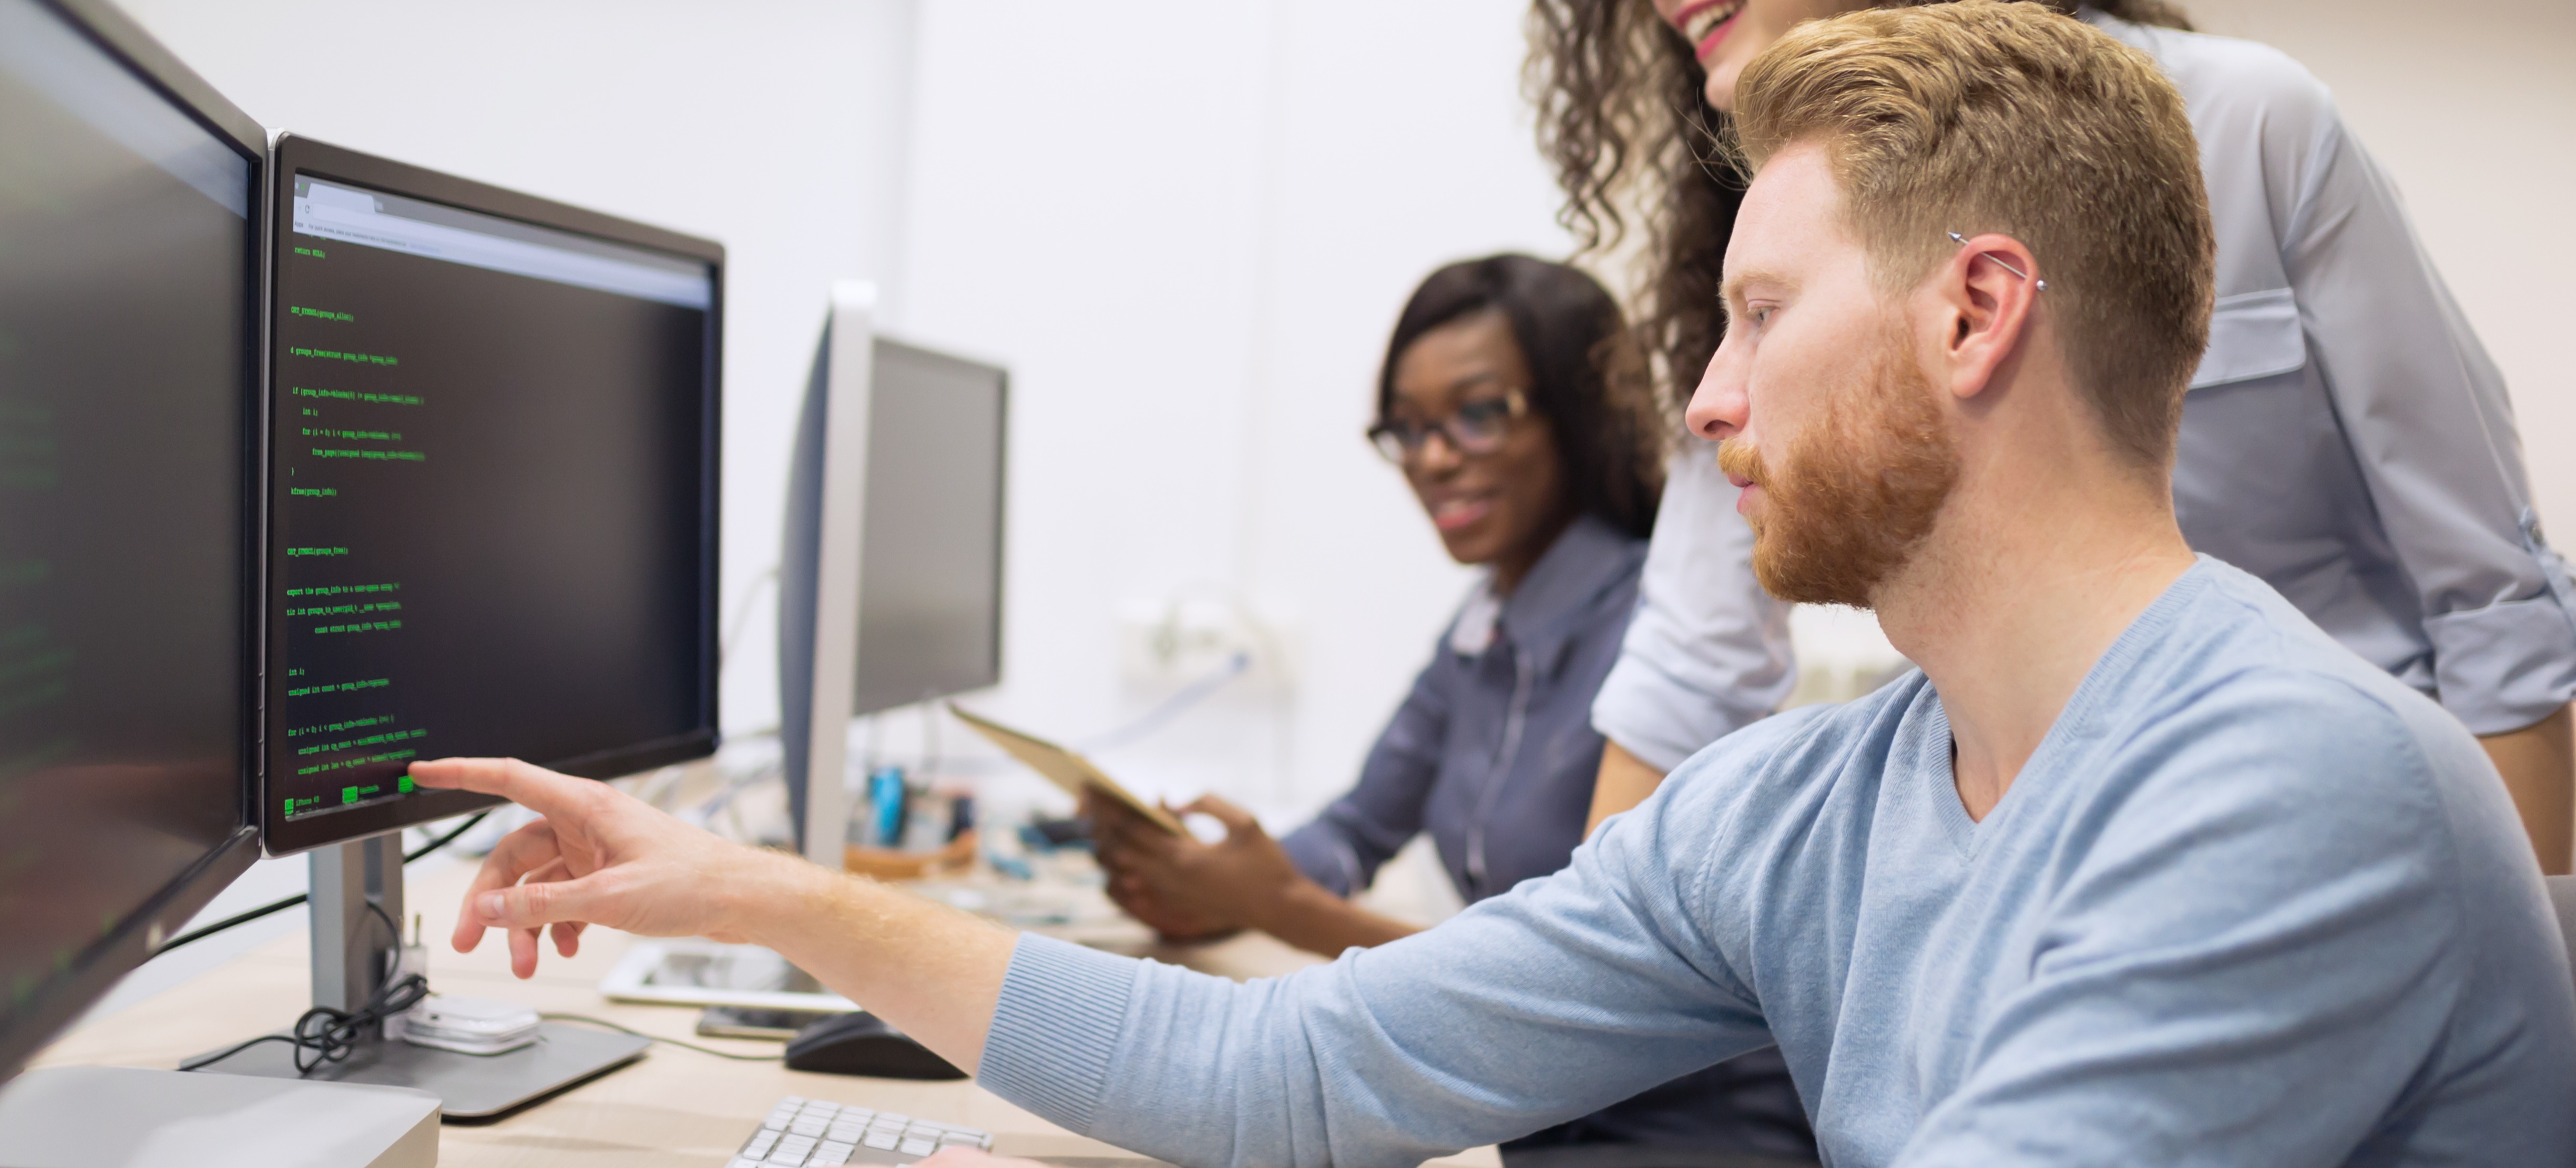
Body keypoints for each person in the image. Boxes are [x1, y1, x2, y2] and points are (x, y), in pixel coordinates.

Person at [410, 7, 2575, 1164]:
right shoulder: (1803, 803)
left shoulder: (2296, 788)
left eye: (1753, 314)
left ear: (1973, 313)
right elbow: (1302, 1075)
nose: (1707, 406)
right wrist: (755, 894)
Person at [1534, 0, 2576, 873]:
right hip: (2050, 868)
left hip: (2354, 839)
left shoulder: (2251, 122)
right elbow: (1689, 663)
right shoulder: (1775, 222)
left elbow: (2490, 602)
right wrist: (1583, 971)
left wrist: (2513, 981)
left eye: (1762, 317)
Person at [1084, 255, 1816, 1164]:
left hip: (1684, 1137)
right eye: (1408, 427)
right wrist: (1197, 883)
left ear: (1577, 419)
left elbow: (1561, 981)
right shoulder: (1483, 628)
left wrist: (1275, 903)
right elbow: (1355, 830)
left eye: (1477, 413)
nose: (1432, 458)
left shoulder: (1669, 652)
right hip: (1538, 1122)